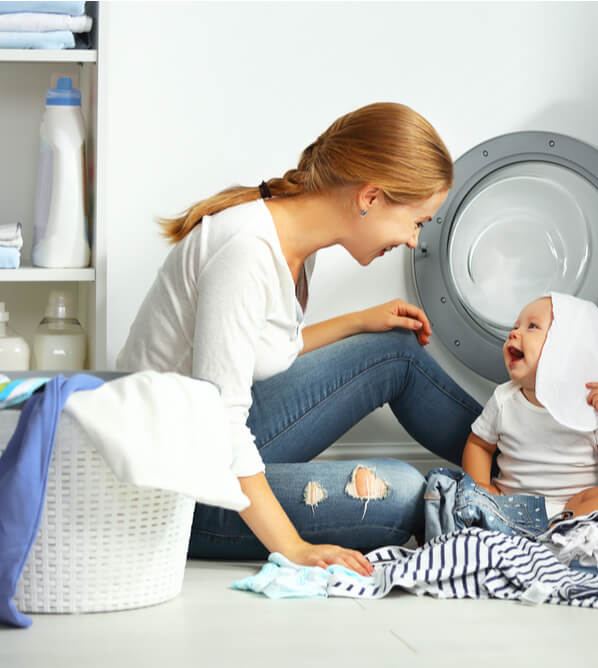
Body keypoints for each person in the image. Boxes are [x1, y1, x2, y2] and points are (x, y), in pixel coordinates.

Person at [117, 102, 482, 575]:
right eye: (417, 221)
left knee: (394, 348)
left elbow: (256, 352)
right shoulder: (246, 252)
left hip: (206, 444)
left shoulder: (294, 244)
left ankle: (524, 470)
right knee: (400, 491)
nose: (414, 240)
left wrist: (357, 321)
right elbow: (220, 421)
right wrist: (292, 548)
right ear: (370, 197)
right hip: (176, 487)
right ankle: (495, 501)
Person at [461, 296, 598, 521]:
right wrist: (481, 490)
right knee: (464, 495)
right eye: (515, 327)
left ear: (565, 346)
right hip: (513, 504)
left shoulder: (587, 401)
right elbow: (479, 445)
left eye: (532, 326)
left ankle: (561, 527)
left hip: (574, 504)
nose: (514, 333)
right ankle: (537, 529)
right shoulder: (504, 399)